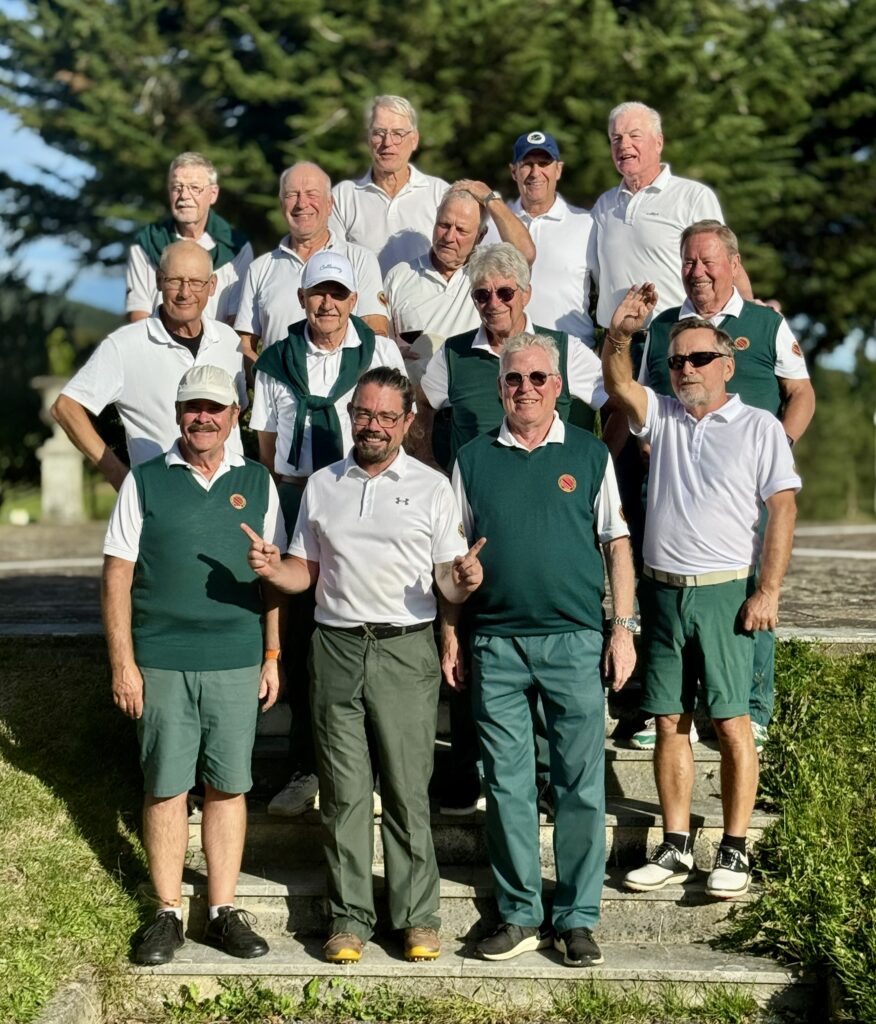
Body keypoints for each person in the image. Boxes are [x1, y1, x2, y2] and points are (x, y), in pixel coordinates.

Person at [243, 366, 484, 965]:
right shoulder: (323, 485)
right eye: (364, 414)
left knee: (405, 790)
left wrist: (464, 582)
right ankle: (348, 918)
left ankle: (416, 917)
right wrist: (274, 570)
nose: (373, 426)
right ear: (351, 416)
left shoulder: (432, 487)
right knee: (344, 795)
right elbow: (305, 572)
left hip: (405, 648)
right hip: (336, 648)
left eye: (386, 417)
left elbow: (448, 583)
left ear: (408, 422)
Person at [602, 293, 800, 900]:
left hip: (725, 593)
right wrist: (621, 336)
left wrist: (768, 590)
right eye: (677, 360)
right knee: (669, 721)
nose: (686, 368)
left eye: (699, 358)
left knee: (733, 722)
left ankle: (734, 847)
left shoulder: (759, 426)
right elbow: (620, 385)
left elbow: (783, 509)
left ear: (727, 364)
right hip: (663, 592)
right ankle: (676, 843)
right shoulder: (661, 414)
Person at [447, 333, 636, 966]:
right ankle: (520, 912)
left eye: (536, 378)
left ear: (557, 386)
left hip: (575, 639)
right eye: (512, 379)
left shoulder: (588, 453)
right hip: (496, 642)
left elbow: (616, 545)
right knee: (506, 786)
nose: (524, 388)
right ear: (499, 387)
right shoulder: (472, 458)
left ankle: (576, 918)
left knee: (580, 785)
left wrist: (623, 628)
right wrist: (453, 624)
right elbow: (452, 558)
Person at [103, 364, 285, 966]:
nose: (202, 417)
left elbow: (275, 576)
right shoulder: (145, 481)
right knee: (165, 786)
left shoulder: (257, 481)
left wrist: (272, 654)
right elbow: (117, 574)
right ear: (178, 414)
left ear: (235, 416)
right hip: (162, 661)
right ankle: (166, 913)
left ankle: (222, 909)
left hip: (236, 658)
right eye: (192, 407)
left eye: (214, 407)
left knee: (228, 785)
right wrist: (123, 663)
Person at [632, 220, 815, 752]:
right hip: (676, 476)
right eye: (689, 261)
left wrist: (776, 447)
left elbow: (801, 394)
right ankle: (669, 706)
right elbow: (640, 397)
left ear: (733, 264)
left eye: (708, 260)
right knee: (663, 588)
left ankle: (751, 707)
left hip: (745, 481)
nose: (698, 271)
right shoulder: (664, 326)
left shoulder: (765, 323)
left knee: (751, 588)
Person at [248, 251, 408, 819]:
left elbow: (398, 421)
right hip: (299, 493)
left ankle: (375, 769)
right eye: (318, 292)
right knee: (302, 635)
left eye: (338, 293)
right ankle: (305, 765)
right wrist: (287, 492)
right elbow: (266, 442)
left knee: (363, 624)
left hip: (361, 489)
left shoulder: (378, 350)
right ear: (302, 298)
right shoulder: (276, 359)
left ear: (353, 300)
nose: (328, 303)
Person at [52, 240, 247, 491]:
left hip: (232, 493)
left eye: (196, 282)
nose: (185, 292)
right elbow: (65, 407)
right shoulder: (124, 345)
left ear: (212, 286)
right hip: (162, 499)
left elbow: (235, 413)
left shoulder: (229, 341)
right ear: (158, 281)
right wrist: (119, 476)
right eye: (175, 280)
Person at [417, 243, 609, 473]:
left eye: (505, 293)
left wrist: (603, 463)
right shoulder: (454, 353)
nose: (494, 303)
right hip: (473, 489)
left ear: (526, 294)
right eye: (482, 295)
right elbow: (421, 402)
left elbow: (618, 403)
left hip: (548, 485)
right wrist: (425, 459)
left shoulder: (565, 350)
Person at [589, 102, 752, 332]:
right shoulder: (603, 205)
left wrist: (749, 320)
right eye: (616, 138)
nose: (624, 144)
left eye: (634, 135)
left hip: (676, 337)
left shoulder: (692, 196)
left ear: (658, 142)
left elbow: (726, 265)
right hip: (616, 341)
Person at [235, 161, 387, 367]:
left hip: (347, 385)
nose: (302, 203)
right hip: (279, 386)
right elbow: (245, 345)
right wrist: (266, 379)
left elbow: (376, 332)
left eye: (311, 194)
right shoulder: (260, 268)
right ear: (282, 205)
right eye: (292, 195)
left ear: (330, 204)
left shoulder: (360, 260)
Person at [383, 182, 536, 382]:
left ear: (480, 236)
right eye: (444, 225)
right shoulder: (400, 276)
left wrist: (490, 199)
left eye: (461, 230)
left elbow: (525, 255)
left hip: (473, 391)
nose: (449, 237)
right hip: (416, 394)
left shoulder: (486, 275)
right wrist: (392, 354)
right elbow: (381, 340)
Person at [483, 131, 596, 344]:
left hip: (570, 352)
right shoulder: (491, 226)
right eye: (527, 164)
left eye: (544, 163)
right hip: (507, 355)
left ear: (558, 170)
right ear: (514, 171)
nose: (535, 173)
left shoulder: (587, 225)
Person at [126, 152, 252, 324]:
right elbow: (138, 311)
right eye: (177, 187)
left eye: (194, 188)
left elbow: (237, 316)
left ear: (213, 194)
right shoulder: (147, 243)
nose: (184, 196)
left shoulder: (237, 247)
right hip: (155, 338)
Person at [329, 95, 449, 275]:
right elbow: (332, 263)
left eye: (398, 134)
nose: (387, 143)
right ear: (368, 139)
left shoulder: (440, 194)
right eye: (379, 133)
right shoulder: (342, 197)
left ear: (414, 140)